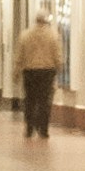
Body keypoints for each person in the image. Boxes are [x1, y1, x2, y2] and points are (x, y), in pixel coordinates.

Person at [14, 9, 64, 139]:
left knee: (30, 100)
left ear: (35, 20)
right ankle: (44, 129)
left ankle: (29, 128)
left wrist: (16, 72)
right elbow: (57, 54)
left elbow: (19, 55)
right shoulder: (53, 35)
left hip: (30, 71)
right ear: (46, 20)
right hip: (47, 72)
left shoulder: (25, 35)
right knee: (44, 101)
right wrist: (59, 67)